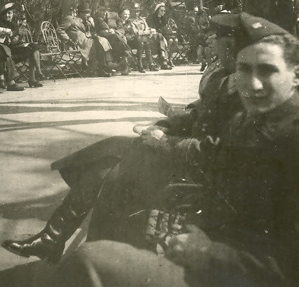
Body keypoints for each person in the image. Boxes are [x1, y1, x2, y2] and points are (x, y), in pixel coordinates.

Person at [48, 13, 299, 287]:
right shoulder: (249, 121)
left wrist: (206, 253)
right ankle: (53, 239)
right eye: (244, 69)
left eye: (268, 71)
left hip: (231, 274)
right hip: (216, 247)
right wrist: (190, 213)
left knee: (88, 262)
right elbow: (225, 174)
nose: (253, 83)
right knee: (118, 199)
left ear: (297, 76)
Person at [1, 14, 244, 266]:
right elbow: (197, 110)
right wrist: (164, 125)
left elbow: (218, 148)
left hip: (205, 171)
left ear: (233, 47)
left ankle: (57, 241)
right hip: (189, 156)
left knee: (114, 165)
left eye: (219, 41)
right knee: (113, 155)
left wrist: (165, 142)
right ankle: (55, 240)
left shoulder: (244, 87)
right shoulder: (222, 73)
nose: (212, 45)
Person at [58, 5, 111, 77]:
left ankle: (100, 68)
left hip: (87, 39)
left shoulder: (87, 21)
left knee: (102, 40)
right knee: (98, 43)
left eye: (89, 12)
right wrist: (67, 39)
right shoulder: (71, 19)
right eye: (86, 13)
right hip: (78, 41)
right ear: (80, 13)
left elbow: (92, 31)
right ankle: (97, 68)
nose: (88, 14)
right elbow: (60, 29)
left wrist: (91, 24)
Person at [0, 3, 44, 88]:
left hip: (12, 50)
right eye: (5, 13)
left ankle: (33, 77)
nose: (7, 15)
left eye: (9, 13)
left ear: (12, 14)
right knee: (5, 51)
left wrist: (16, 39)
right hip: (3, 52)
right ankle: (10, 83)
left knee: (34, 47)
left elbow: (14, 39)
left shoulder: (14, 25)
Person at [124, 4, 155, 72]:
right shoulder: (130, 21)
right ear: (131, 12)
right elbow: (135, 32)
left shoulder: (142, 20)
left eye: (137, 11)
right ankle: (140, 65)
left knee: (145, 43)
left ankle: (151, 64)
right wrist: (144, 32)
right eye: (134, 11)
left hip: (142, 40)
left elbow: (147, 30)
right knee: (142, 43)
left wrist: (143, 32)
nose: (136, 13)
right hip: (132, 41)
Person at [148, 3, 174, 70]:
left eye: (164, 11)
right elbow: (151, 28)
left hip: (162, 36)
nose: (163, 12)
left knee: (172, 40)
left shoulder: (164, 19)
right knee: (160, 36)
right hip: (153, 36)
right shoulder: (151, 18)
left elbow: (165, 28)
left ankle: (168, 59)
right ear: (157, 10)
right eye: (161, 10)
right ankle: (164, 59)